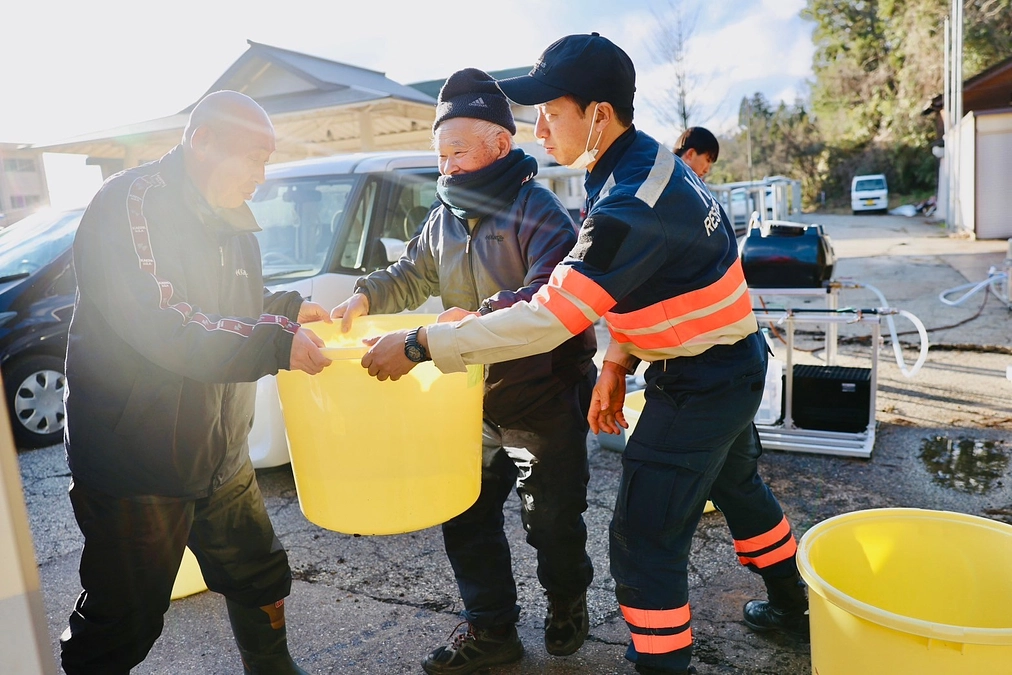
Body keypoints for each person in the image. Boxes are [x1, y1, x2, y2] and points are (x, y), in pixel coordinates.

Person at [360, 34, 808, 675]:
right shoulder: (640, 163)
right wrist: (620, 363)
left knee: (644, 539)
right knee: (737, 487)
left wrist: (422, 342)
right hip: (726, 360)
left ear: (599, 114)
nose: (537, 127)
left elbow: (552, 317)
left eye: (552, 111)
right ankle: (793, 603)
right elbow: (654, 281)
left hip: (702, 379)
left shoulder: (628, 203)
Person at [330, 68, 598, 675]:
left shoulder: (542, 212)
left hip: (543, 394)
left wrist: (460, 323)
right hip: (470, 397)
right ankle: (491, 629)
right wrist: (366, 297)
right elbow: (412, 272)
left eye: (457, 151)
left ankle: (566, 598)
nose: (446, 165)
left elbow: (543, 303)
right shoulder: (442, 216)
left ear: (500, 147)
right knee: (464, 512)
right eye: (440, 153)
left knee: (550, 518)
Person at [59, 90, 333, 675]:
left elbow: (226, 305)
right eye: (253, 157)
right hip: (138, 458)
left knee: (259, 571)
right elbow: (162, 319)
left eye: (268, 159)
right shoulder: (128, 205)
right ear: (201, 140)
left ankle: (272, 669)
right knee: (122, 617)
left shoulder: (236, 224)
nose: (262, 174)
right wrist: (274, 341)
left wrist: (285, 309)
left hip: (220, 451)